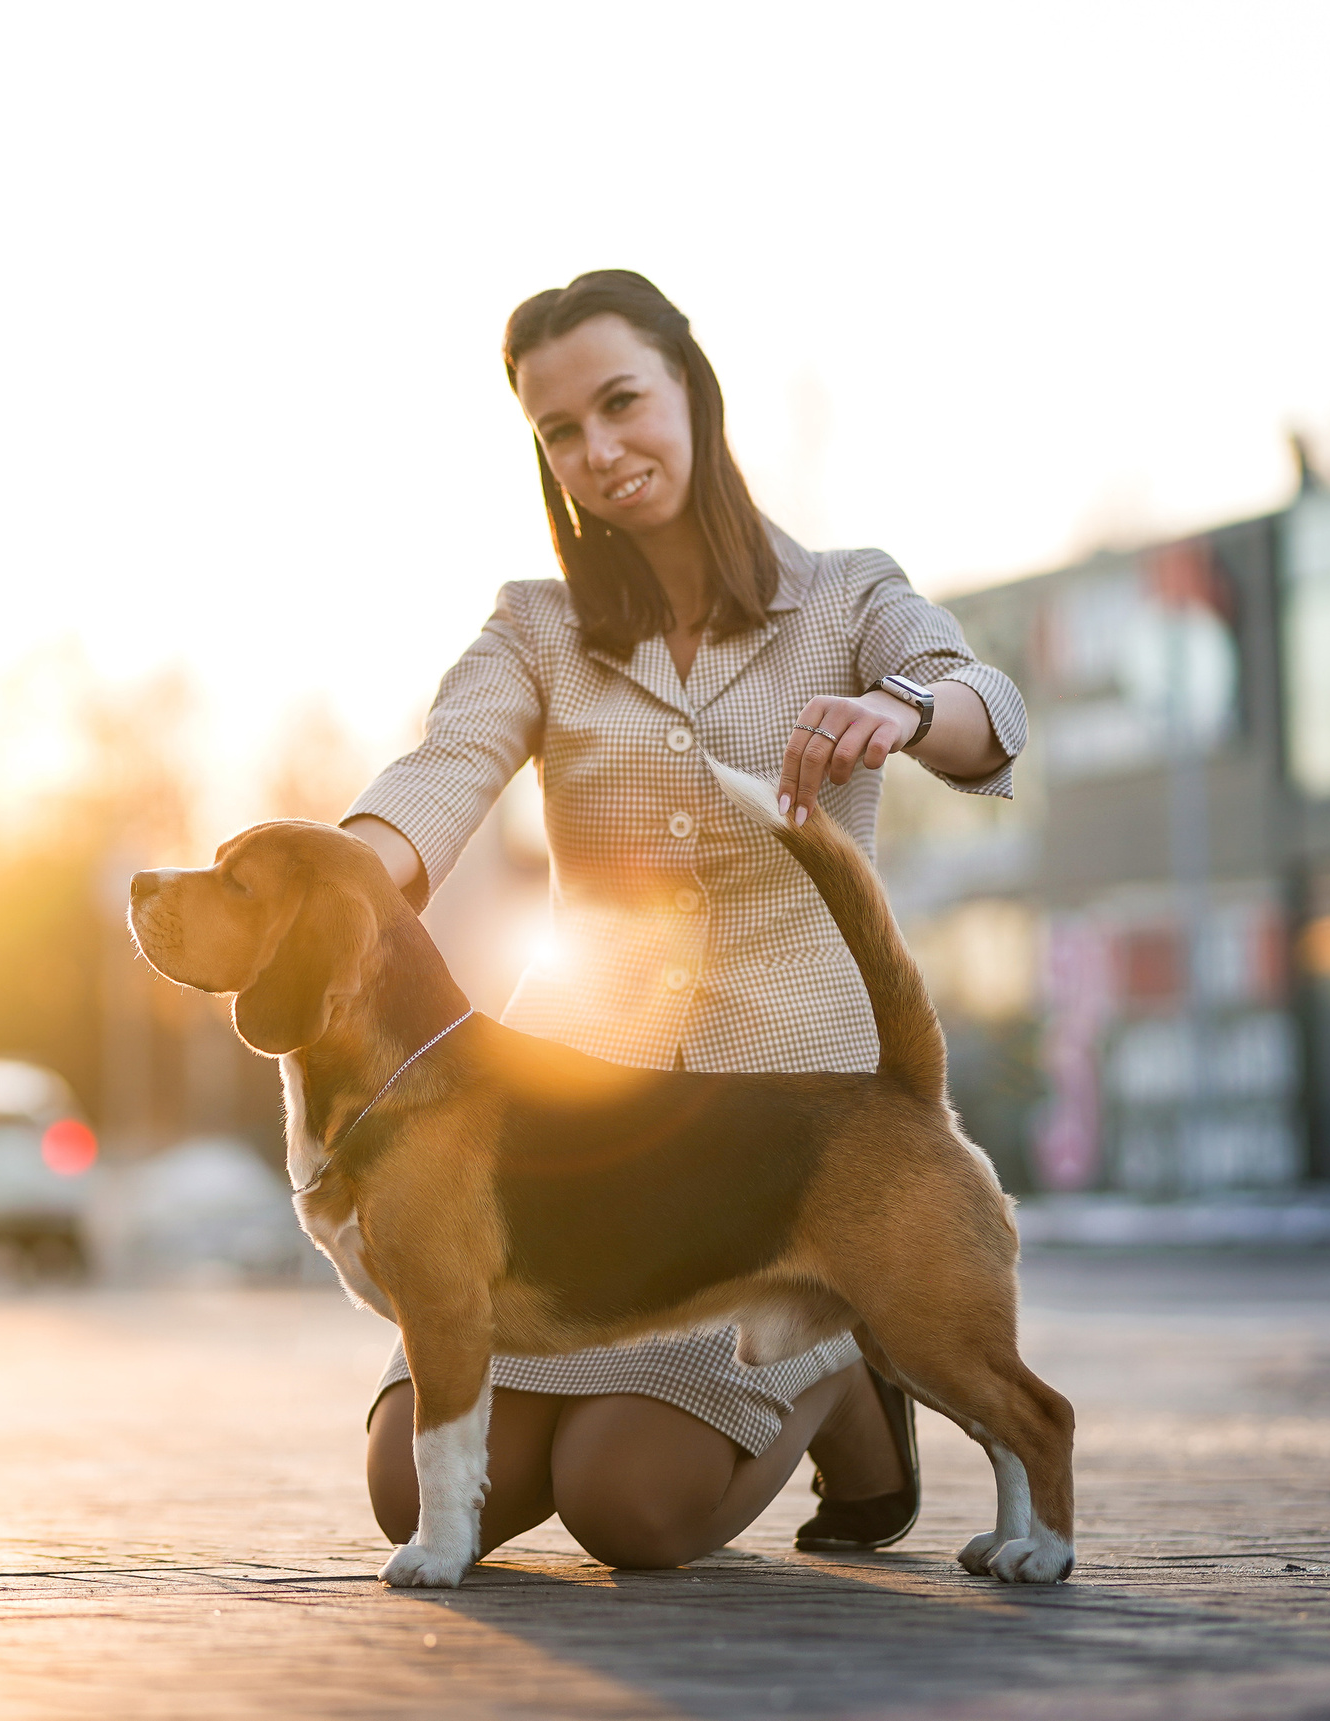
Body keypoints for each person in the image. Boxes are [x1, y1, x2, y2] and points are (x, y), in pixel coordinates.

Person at [341, 270, 1027, 1571]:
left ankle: (849, 1361)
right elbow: (443, 770)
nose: (599, 452)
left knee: (627, 1504)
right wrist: (341, 872)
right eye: (560, 431)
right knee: (418, 1497)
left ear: (690, 392)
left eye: (621, 403)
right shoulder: (535, 628)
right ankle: (845, 1362)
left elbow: (983, 699)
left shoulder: (847, 595)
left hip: (775, 1150)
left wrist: (907, 713)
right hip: (570, 1144)